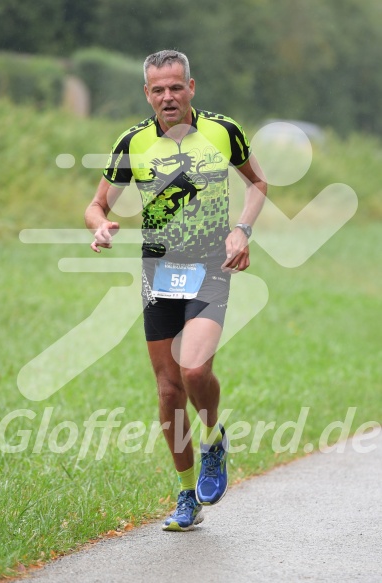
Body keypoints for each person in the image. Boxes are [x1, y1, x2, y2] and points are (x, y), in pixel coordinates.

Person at [85, 50, 267, 531]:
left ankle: (213, 439)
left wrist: (242, 230)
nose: (168, 96)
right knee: (168, 390)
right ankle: (187, 496)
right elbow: (97, 203)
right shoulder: (134, 141)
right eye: (158, 89)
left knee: (194, 369)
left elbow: (257, 184)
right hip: (159, 268)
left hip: (212, 263)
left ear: (191, 87)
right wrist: (101, 225)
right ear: (147, 93)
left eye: (176, 86)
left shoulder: (223, 131)